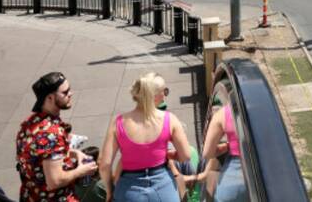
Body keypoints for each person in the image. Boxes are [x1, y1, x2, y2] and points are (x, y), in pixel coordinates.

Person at [99, 72, 191, 202]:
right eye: (164, 91)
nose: (165, 94)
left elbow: (104, 164)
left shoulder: (118, 122)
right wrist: (171, 155)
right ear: (153, 96)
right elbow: (186, 156)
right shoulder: (169, 119)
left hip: (128, 190)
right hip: (164, 189)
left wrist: (109, 190)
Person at [16, 72, 96, 201]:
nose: (71, 94)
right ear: (50, 98)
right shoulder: (50, 134)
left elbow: (42, 156)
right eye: (65, 92)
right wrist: (82, 170)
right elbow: (55, 181)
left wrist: (75, 153)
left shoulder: (30, 123)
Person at [198, 99, 244, 202]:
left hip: (235, 175)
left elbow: (207, 153)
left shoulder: (223, 114)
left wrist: (229, 146)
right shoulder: (266, 105)